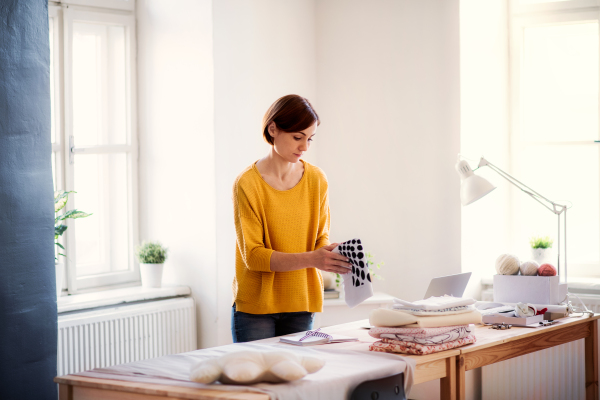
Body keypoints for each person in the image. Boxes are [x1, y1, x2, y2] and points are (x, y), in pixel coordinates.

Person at [231, 94, 351, 343]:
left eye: (309, 138)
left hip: (301, 301)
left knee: (297, 380)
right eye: (298, 137)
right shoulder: (247, 184)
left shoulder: (317, 180)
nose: (305, 147)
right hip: (256, 308)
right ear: (273, 128)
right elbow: (253, 256)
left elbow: (320, 236)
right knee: (257, 381)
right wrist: (312, 258)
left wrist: (327, 253)